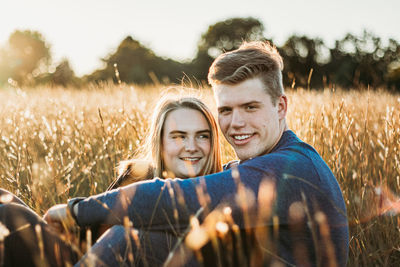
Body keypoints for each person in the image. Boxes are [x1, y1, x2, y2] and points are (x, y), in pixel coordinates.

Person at [45, 41, 349, 267]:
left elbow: (180, 199)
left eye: (250, 107)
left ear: (280, 106)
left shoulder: (293, 168)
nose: (236, 122)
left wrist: (76, 212)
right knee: (11, 213)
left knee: (134, 240)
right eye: (226, 110)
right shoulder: (256, 166)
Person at [0, 95, 222, 266]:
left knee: (9, 215)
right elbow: (92, 235)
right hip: (85, 257)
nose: (192, 146)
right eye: (179, 136)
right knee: (4, 201)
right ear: (160, 142)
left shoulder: (223, 187)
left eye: (203, 136)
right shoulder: (138, 175)